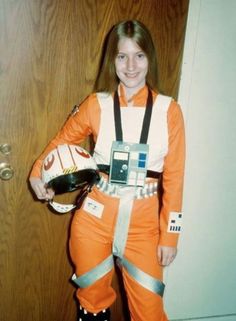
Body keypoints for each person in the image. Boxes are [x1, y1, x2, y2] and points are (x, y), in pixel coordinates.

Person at [29, 20, 185, 321]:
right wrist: (38, 172)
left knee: (150, 313)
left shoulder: (169, 110)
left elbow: (176, 178)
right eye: (121, 56)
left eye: (139, 55)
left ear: (149, 58)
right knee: (92, 301)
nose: (130, 66)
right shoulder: (95, 104)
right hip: (94, 221)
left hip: (144, 229)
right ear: (111, 60)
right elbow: (61, 142)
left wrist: (171, 236)